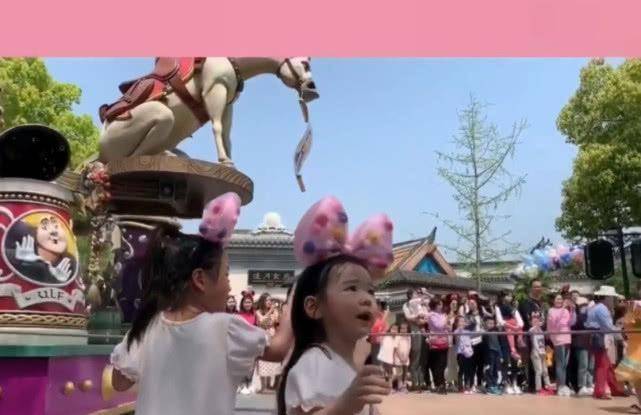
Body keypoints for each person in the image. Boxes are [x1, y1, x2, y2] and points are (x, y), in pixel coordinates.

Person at [109, 193, 293, 415]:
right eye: (225, 275)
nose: (228, 286)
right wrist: (292, 303)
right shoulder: (226, 327)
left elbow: (119, 382)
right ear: (200, 280)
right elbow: (279, 349)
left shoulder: (147, 327)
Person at [278, 196, 393, 415]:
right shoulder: (314, 362)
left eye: (370, 291)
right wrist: (346, 404)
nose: (367, 299)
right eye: (352, 288)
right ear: (314, 307)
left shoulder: (347, 366)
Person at [586, 286, 626, 400]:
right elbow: (608, 327)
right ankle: (599, 392)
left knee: (606, 365)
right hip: (599, 337)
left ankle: (614, 389)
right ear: (607, 297)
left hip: (596, 336)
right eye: (613, 298)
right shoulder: (602, 309)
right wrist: (620, 332)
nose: (614, 300)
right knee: (602, 365)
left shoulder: (596, 307)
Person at [518, 278, 546, 393]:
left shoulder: (542, 303)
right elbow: (528, 320)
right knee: (532, 360)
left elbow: (543, 319)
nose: (538, 289)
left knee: (542, 360)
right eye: (535, 286)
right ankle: (532, 386)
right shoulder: (525, 303)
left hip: (541, 337)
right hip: (530, 336)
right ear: (531, 288)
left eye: (539, 286)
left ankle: (542, 385)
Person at [615, 295, 641, 413]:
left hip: (636, 353)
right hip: (634, 352)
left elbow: (627, 326)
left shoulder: (630, 318)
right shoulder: (630, 318)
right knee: (637, 383)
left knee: (638, 383)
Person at [547, 294, 576, 396]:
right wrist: (563, 308)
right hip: (558, 338)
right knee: (560, 364)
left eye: (561, 299)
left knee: (565, 364)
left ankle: (562, 385)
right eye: (558, 299)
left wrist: (572, 310)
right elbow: (555, 323)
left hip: (567, 338)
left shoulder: (566, 311)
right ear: (553, 300)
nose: (560, 301)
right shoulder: (551, 311)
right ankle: (561, 386)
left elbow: (571, 323)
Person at [256, 293, 283, 392]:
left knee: (273, 361)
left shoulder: (274, 311)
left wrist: (276, 310)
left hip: (273, 336)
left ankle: (271, 385)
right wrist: (270, 311)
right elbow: (262, 322)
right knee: (263, 361)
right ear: (262, 301)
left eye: (270, 300)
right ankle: (263, 387)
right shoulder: (258, 312)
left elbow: (277, 321)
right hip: (263, 336)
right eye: (267, 300)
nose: (269, 302)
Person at [403, 289, 427, 391]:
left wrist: (421, 319)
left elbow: (425, 317)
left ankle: (421, 381)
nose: (417, 295)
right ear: (410, 295)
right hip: (414, 331)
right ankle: (414, 382)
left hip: (423, 332)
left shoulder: (421, 304)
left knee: (422, 357)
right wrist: (417, 318)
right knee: (415, 355)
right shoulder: (406, 305)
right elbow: (408, 317)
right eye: (415, 294)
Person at [425, 298, 451, 394]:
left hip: (444, 341)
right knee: (437, 365)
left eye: (441, 304)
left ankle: (440, 384)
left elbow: (448, 327)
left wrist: (447, 325)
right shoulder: (431, 315)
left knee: (443, 364)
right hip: (435, 342)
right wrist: (446, 320)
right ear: (435, 305)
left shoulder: (443, 315)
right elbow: (439, 326)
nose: (441, 306)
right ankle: (440, 385)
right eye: (439, 304)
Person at [571, 296, 594, 396]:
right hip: (581, 343)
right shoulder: (577, 316)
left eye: (585, 305)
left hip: (591, 343)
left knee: (591, 365)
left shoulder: (591, 315)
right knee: (583, 365)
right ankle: (582, 385)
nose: (584, 307)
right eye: (582, 305)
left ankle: (589, 384)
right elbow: (579, 325)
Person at [529, 314, 552, 395]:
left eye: (537, 320)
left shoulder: (541, 330)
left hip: (543, 352)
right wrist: (537, 324)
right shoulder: (531, 329)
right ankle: (538, 389)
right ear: (531, 322)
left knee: (545, 371)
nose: (536, 322)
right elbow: (532, 331)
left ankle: (548, 386)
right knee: (539, 371)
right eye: (534, 321)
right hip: (535, 352)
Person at [454, 315, 474, 394]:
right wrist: (461, 327)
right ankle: (460, 386)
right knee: (461, 370)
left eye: (463, 321)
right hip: (460, 353)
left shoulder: (467, 331)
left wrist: (470, 324)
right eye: (461, 321)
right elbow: (457, 335)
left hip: (468, 353)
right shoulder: (456, 331)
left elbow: (475, 334)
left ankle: (467, 386)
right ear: (456, 323)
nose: (463, 323)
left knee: (468, 370)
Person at [483, 316, 503, 395]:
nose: (491, 325)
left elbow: (499, 344)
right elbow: (484, 347)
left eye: (492, 323)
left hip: (496, 353)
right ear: (486, 324)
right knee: (489, 370)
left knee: (495, 370)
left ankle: (495, 385)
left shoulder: (496, 332)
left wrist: (501, 355)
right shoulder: (485, 333)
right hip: (489, 354)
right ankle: (489, 387)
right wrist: (486, 359)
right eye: (489, 323)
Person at [378, 323, 399, 387]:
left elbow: (395, 351)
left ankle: (390, 385)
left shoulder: (396, 339)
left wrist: (394, 359)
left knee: (392, 374)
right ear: (390, 329)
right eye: (393, 329)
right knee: (382, 371)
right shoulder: (385, 336)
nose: (394, 331)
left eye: (396, 329)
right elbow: (380, 340)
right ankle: (383, 384)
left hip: (390, 359)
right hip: (382, 357)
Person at [369, 300, 389, 365]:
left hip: (383, 341)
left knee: (384, 361)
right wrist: (384, 317)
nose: (378, 308)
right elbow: (375, 328)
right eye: (376, 306)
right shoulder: (372, 316)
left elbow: (385, 327)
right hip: (375, 341)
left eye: (379, 306)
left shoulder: (382, 315)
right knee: (376, 361)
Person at [395, 321, 412, 393]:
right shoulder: (397, 336)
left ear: (407, 329)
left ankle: (404, 385)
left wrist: (406, 356)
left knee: (405, 372)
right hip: (398, 357)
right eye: (402, 328)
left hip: (406, 357)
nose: (403, 330)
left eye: (405, 328)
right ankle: (399, 385)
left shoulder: (408, 337)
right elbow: (396, 348)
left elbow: (409, 347)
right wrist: (400, 357)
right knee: (399, 372)